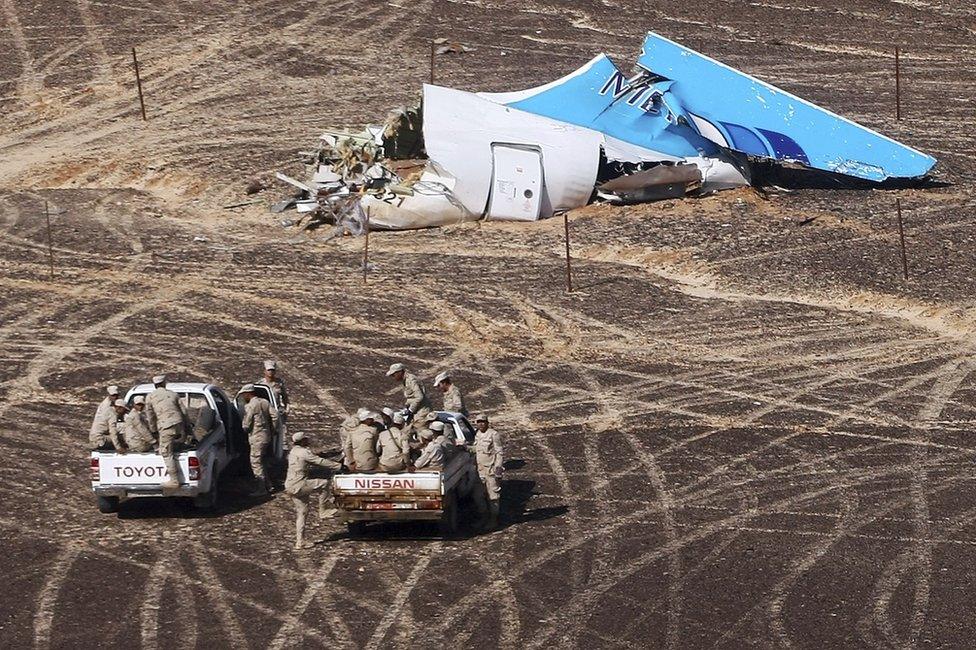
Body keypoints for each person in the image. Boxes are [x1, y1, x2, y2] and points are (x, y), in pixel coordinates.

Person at [285, 432, 343, 550]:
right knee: (324, 483)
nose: (308, 440)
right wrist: (339, 466)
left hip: (290, 485)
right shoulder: (304, 452)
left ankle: (300, 542)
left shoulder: (293, 451)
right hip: (300, 485)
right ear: (302, 441)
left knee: (302, 513)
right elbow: (319, 461)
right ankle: (323, 510)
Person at [145, 375, 187, 488]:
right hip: (178, 424)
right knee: (178, 444)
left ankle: (174, 480)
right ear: (164, 384)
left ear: (155, 385)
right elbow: (184, 412)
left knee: (165, 452)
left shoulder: (150, 397)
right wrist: (187, 428)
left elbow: (150, 416)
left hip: (166, 426)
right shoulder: (173, 394)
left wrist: (153, 431)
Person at [240, 383, 279, 495]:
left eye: (244, 394)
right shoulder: (264, 402)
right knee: (262, 462)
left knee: (255, 462)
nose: (243, 397)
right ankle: (269, 485)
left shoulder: (251, 406)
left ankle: (261, 489)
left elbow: (246, 424)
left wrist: (244, 429)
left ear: (248, 393)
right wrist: (273, 429)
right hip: (266, 436)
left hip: (256, 437)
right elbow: (275, 416)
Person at [474, 413, 504, 529]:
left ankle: (494, 520)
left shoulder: (493, 435)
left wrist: (498, 468)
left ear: (487, 423)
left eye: (483, 422)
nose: (481, 424)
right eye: (478, 422)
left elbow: (499, 452)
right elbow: (477, 449)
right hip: (480, 470)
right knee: (478, 495)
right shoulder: (478, 434)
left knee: (493, 496)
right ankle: (483, 517)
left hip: (490, 469)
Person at [258, 360, 289, 443]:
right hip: (265, 411)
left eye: (272, 370)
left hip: (277, 409)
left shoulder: (279, 383)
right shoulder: (260, 384)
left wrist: (287, 409)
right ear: (264, 371)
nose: (271, 372)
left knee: (281, 433)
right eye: (269, 370)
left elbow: (285, 397)